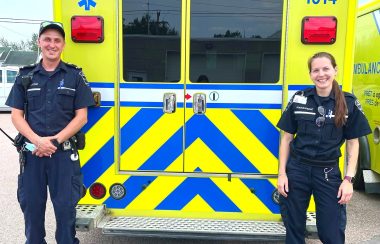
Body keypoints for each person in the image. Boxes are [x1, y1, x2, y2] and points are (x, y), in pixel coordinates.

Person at [5, 21, 95, 244]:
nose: (52, 44)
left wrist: (54, 142)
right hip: (32, 155)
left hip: (63, 156)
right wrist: (37, 142)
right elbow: (16, 116)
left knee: (65, 215)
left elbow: (81, 116)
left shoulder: (75, 76)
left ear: (63, 45)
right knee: (32, 214)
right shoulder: (24, 77)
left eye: (57, 40)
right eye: (47, 39)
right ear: (39, 42)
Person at [276, 52, 371, 244]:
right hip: (297, 170)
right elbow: (286, 138)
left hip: (328, 173)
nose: (321, 74)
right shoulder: (299, 99)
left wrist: (348, 180)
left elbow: (353, 143)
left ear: (335, 70)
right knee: (293, 228)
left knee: (331, 232)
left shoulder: (348, 103)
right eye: (316, 70)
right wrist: (282, 174)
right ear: (310, 74)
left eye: (326, 69)